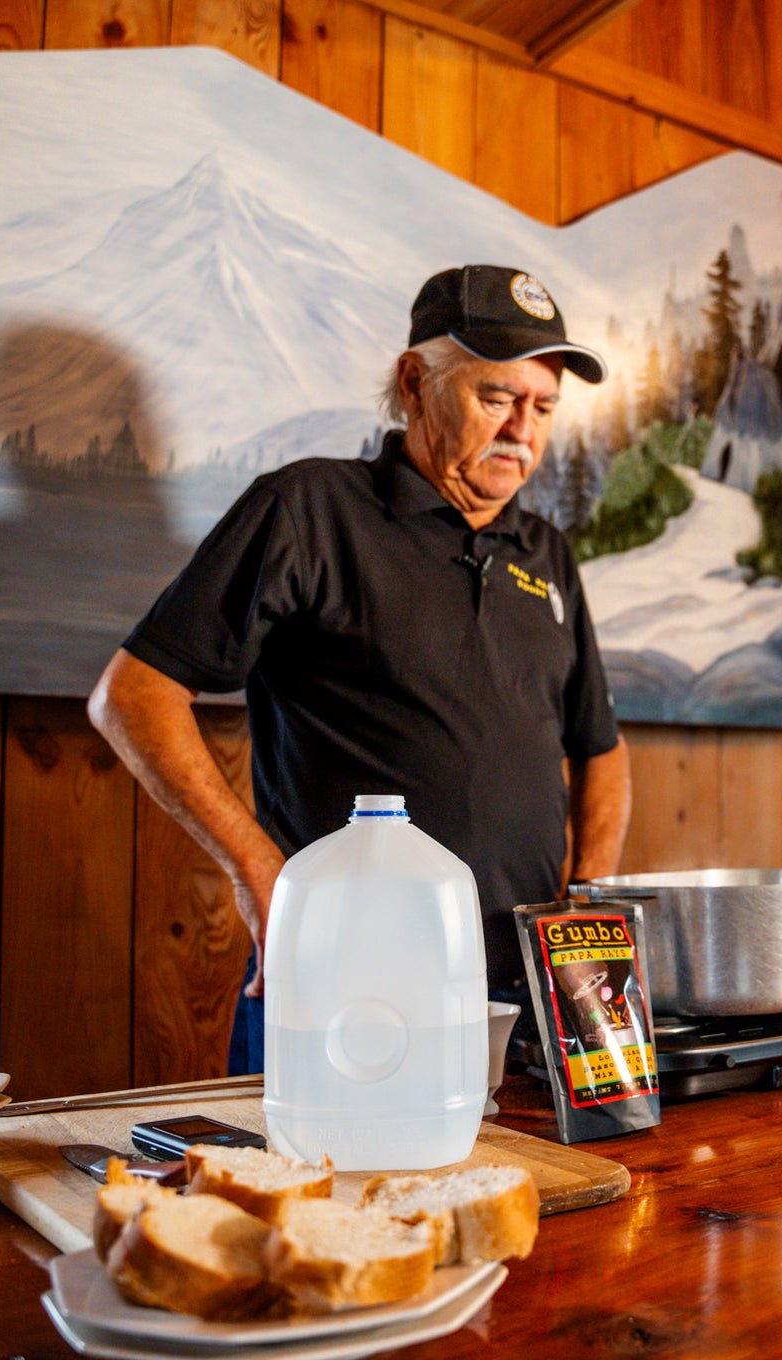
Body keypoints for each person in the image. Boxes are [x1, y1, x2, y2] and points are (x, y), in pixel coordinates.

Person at [88, 264, 633, 1074]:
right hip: (346, 983)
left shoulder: (546, 553)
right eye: (496, 398)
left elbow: (601, 749)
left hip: (523, 996)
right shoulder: (309, 510)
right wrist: (258, 869)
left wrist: (584, 906)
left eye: (544, 407)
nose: (523, 429)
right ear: (416, 383)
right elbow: (132, 694)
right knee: (319, 1196)